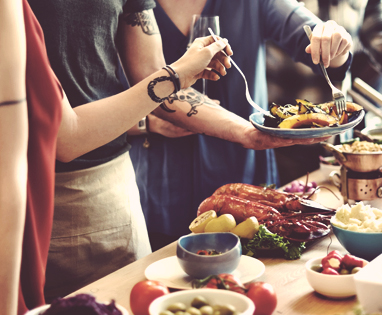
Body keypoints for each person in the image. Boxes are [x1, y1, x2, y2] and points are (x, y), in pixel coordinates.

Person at [28, 0, 345, 299]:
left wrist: (248, 133)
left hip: (126, 185)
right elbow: (68, 132)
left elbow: (153, 76)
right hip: (76, 183)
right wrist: (175, 79)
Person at [2, 0, 234, 312]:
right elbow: (65, 138)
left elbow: (152, 72)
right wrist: (178, 73)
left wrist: (250, 131)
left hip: (115, 191)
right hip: (30, 194)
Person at [129, 0, 355, 250]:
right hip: (161, 177)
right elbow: (93, 100)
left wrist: (334, 42)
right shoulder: (130, 8)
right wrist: (144, 122)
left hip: (244, 177)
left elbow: (318, 45)